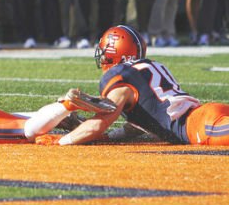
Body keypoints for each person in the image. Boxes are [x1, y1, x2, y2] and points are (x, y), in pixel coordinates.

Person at [36, 25, 229, 146]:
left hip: (200, 127)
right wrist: (110, 137)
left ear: (114, 52)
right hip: (207, 115)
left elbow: (99, 123)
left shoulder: (120, 77)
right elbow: (138, 126)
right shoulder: (148, 67)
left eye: (104, 51)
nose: (102, 57)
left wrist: (62, 141)